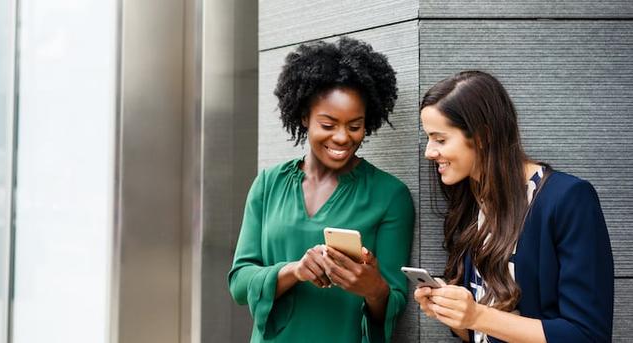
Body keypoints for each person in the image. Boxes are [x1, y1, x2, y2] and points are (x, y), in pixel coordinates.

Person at [228, 37, 414, 342]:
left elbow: (394, 301)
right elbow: (238, 283)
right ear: (304, 117)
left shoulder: (390, 195)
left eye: (355, 126)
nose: (342, 137)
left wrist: (372, 287)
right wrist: (295, 271)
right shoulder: (268, 184)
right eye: (328, 125)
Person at [415, 70, 614, 342]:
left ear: (483, 136)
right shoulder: (471, 203)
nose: (429, 151)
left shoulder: (568, 199)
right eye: (428, 138)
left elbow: (587, 335)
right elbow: (480, 336)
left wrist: (476, 315)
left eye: (440, 139)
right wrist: (450, 313)